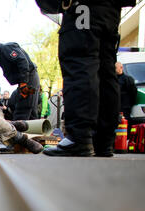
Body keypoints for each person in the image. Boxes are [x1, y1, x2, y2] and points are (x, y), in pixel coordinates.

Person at [42, 0, 136, 157]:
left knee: (80, 64)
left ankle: (80, 138)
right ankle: (103, 141)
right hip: (111, 9)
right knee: (106, 70)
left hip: (83, 7)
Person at [0, 40, 39, 121]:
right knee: (31, 107)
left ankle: (19, 129)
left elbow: (22, 61)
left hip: (28, 79)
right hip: (27, 79)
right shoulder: (1, 55)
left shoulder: (6, 48)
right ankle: (34, 128)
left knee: (24, 106)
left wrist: (23, 82)